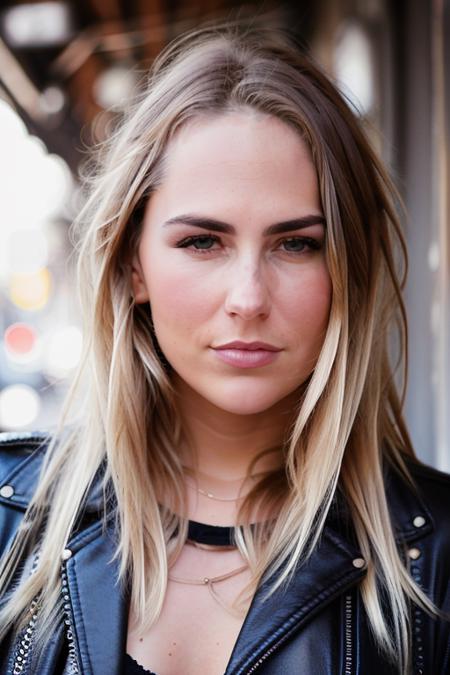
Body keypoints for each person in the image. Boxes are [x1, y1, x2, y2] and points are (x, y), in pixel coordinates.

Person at [0, 19, 449, 675]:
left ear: (348, 269)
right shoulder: (11, 524)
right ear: (132, 264)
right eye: (202, 242)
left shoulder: (434, 561)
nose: (248, 296)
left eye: (297, 243)